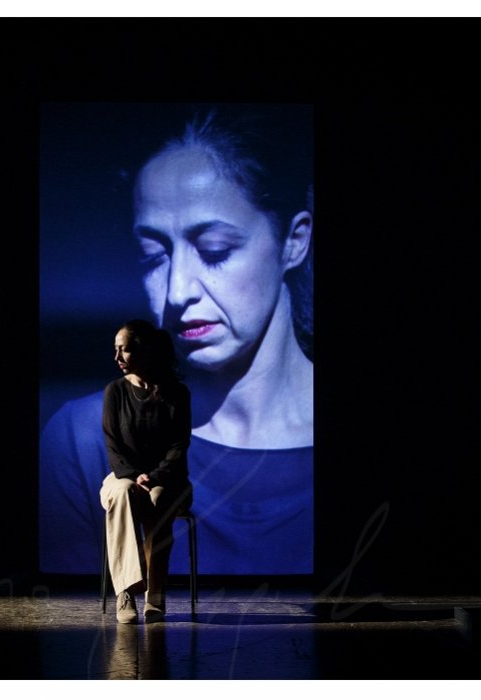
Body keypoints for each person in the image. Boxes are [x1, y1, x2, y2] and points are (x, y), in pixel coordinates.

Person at [39, 105, 314, 576]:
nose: (177, 291)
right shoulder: (82, 439)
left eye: (214, 250)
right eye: (153, 256)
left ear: (294, 241)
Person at [100, 319, 192, 623]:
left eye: (124, 349)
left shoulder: (177, 393)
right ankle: (126, 591)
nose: (117, 357)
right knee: (123, 494)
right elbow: (113, 447)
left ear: (145, 351)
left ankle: (155, 593)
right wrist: (134, 475)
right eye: (115, 349)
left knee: (158, 498)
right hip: (124, 476)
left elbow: (179, 445)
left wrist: (153, 477)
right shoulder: (115, 392)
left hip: (167, 478)